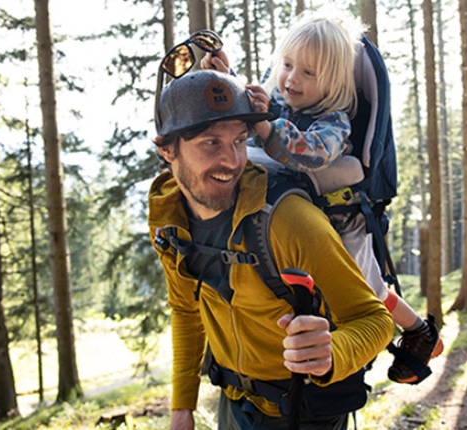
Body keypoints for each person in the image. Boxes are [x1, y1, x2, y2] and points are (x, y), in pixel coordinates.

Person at [202, 11, 443, 385]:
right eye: (286, 65)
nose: (291, 78)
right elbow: (253, 115)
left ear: (332, 82)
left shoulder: (335, 121)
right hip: (306, 219)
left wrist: (265, 126)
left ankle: (421, 333)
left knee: (370, 289)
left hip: (343, 221)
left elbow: (308, 152)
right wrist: (228, 78)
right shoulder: (282, 103)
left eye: (308, 73)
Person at [149, 68, 395, 429]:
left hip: (305, 411)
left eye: (238, 141)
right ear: (167, 149)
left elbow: (376, 320)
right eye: (211, 143)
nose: (232, 161)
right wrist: (182, 407)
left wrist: (331, 353)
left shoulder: (287, 219)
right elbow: (186, 309)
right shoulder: (169, 217)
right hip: (233, 405)